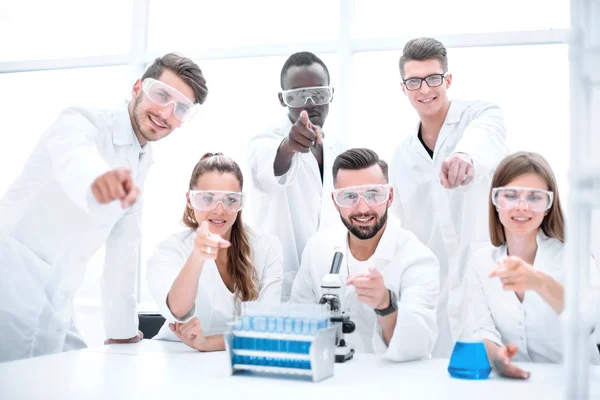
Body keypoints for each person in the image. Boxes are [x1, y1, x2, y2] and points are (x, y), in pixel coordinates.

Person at [0, 53, 208, 362]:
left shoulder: (141, 161)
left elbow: (124, 249)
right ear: (138, 87)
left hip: (57, 300)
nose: (166, 113)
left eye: (180, 109)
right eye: (161, 95)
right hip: (10, 285)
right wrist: (97, 180)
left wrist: (122, 330)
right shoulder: (83, 120)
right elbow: (74, 156)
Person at [390, 37, 508, 357]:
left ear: (448, 80)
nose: (425, 89)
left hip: (487, 281)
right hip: (435, 292)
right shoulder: (401, 157)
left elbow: (484, 137)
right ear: (403, 87)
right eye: (414, 81)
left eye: (433, 79)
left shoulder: (481, 116)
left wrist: (466, 156)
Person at [291, 148, 439, 361]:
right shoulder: (317, 248)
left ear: (389, 197)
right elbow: (299, 323)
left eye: (373, 194)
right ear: (335, 201)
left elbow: (418, 346)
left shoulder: (417, 259)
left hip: (391, 384)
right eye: (349, 196)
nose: (362, 208)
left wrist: (385, 304)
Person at [467, 151, 600, 378]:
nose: (522, 206)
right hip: (514, 385)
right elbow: (485, 329)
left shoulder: (574, 257)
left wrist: (539, 282)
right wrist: (498, 357)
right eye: (510, 195)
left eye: (534, 197)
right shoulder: (481, 262)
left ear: (548, 205)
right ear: (496, 201)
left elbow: (589, 324)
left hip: (576, 381)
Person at [147, 153, 283, 351]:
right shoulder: (171, 250)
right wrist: (197, 257)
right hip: (179, 357)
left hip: (238, 361)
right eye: (207, 198)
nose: (219, 210)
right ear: (190, 200)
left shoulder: (267, 247)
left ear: (240, 202)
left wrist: (208, 343)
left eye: (230, 200)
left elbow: (266, 328)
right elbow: (178, 311)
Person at [247, 51, 346, 301]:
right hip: (280, 285)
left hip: (330, 278)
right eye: (298, 96)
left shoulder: (339, 148)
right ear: (283, 99)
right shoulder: (265, 141)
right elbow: (270, 165)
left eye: (319, 93)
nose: (310, 103)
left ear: (330, 94)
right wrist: (289, 145)